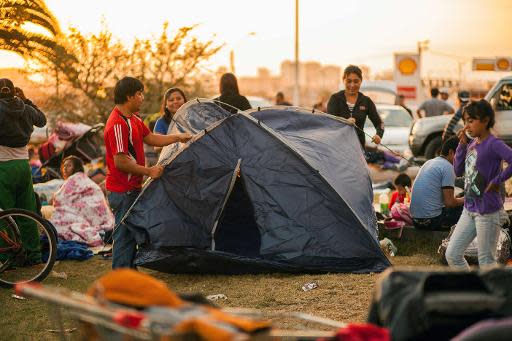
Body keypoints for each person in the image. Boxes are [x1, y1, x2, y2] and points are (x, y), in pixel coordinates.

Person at [104, 76, 193, 269]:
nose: (142, 97)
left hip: (131, 187)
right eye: (139, 94)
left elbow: (151, 138)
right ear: (129, 97)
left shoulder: (133, 119)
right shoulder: (117, 124)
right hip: (122, 189)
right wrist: (149, 171)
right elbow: (120, 162)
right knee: (124, 235)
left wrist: (178, 137)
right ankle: (121, 278)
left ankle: (129, 273)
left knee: (130, 232)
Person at [445, 100, 512, 269]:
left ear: (485, 120)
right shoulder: (472, 144)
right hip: (469, 209)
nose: (467, 125)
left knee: (486, 261)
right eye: (465, 121)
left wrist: (498, 180)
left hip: (488, 211)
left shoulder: (494, 144)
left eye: (471, 120)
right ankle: (473, 290)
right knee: (452, 254)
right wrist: (461, 144)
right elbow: (458, 170)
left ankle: (494, 294)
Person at [0, 79, 46, 265]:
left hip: (3, 166)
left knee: (4, 215)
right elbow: (42, 120)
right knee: (27, 211)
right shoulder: (26, 109)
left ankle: (6, 259)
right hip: (23, 166)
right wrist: (26, 101)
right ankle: (33, 255)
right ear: (13, 92)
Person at [50, 156, 114, 246]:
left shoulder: (75, 178)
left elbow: (59, 198)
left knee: (58, 217)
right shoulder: (81, 178)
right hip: (103, 219)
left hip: (93, 213)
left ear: (76, 167)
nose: (65, 168)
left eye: (69, 166)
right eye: (64, 166)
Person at [410, 136, 464, 230]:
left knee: (460, 197)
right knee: (467, 201)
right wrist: (468, 199)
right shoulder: (448, 167)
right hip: (430, 222)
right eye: (460, 155)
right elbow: (449, 202)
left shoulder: (430, 162)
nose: (462, 160)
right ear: (451, 152)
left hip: (415, 221)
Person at [327, 65, 384, 149]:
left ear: (361, 81)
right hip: (337, 148)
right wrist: (345, 122)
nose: (352, 85)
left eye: (356, 81)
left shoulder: (366, 101)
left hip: (359, 149)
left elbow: (380, 123)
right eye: (349, 81)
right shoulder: (335, 99)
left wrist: (378, 135)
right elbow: (329, 123)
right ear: (343, 81)